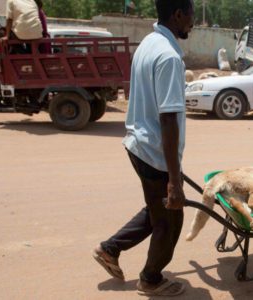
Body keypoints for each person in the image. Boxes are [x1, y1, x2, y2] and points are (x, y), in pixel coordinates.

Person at [93, 0, 194, 297]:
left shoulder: (149, 44)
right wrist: (174, 180)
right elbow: (168, 119)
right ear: (177, 15)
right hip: (153, 151)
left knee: (156, 209)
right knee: (170, 219)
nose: (193, 22)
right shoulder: (168, 57)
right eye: (190, 15)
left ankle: (109, 248)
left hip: (139, 144)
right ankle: (150, 279)